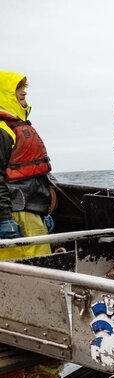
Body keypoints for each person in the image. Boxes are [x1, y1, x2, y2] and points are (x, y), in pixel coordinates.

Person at [0, 71, 53, 260]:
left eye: (23, 88)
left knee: (44, 264)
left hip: (31, 212)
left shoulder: (16, 126)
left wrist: (42, 211)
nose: (23, 92)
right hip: (15, 214)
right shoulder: (3, 131)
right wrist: (4, 218)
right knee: (25, 269)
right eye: (17, 89)